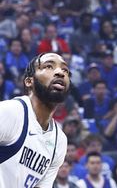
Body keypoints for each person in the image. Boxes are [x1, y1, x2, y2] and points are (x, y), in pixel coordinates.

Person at [0, 52, 70, 186]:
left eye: (65, 70)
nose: (60, 73)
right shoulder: (11, 113)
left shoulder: (59, 142)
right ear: (29, 81)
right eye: (49, 66)